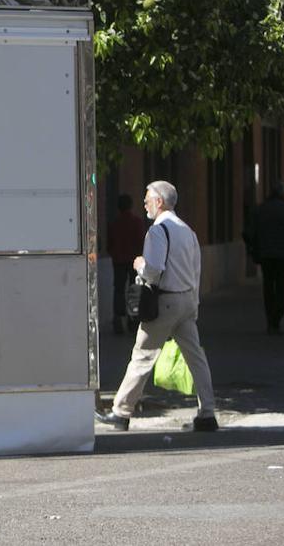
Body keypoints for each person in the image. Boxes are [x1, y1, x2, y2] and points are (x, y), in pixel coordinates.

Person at [95, 180, 218, 432]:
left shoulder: (158, 231)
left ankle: (120, 413)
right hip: (185, 300)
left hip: (165, 302)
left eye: (147, 198)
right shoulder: (187, 230)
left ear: (159, 201)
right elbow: (196, 271)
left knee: (142, 357)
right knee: (196, 358)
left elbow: (153, 271)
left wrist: (139, 263)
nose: (144, 203)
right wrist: (193, 304)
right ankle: (207, 413)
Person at [250, 180, 284, 334]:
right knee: (281, 287)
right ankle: (276, 319)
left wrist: (255, 252)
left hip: (267, 255)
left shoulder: (261, 209)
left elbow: (254, 233)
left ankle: (270, 320)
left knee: (268, 287)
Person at [106, 194, 147, 335]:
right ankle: (133, 320)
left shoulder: (114, 223)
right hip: (134, 260)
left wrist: (114, 253)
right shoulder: (137, 222)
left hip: (118, 260)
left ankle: (118, 318)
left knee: (118, 289)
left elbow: (109, 243)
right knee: (134, 289)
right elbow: (142, 241)